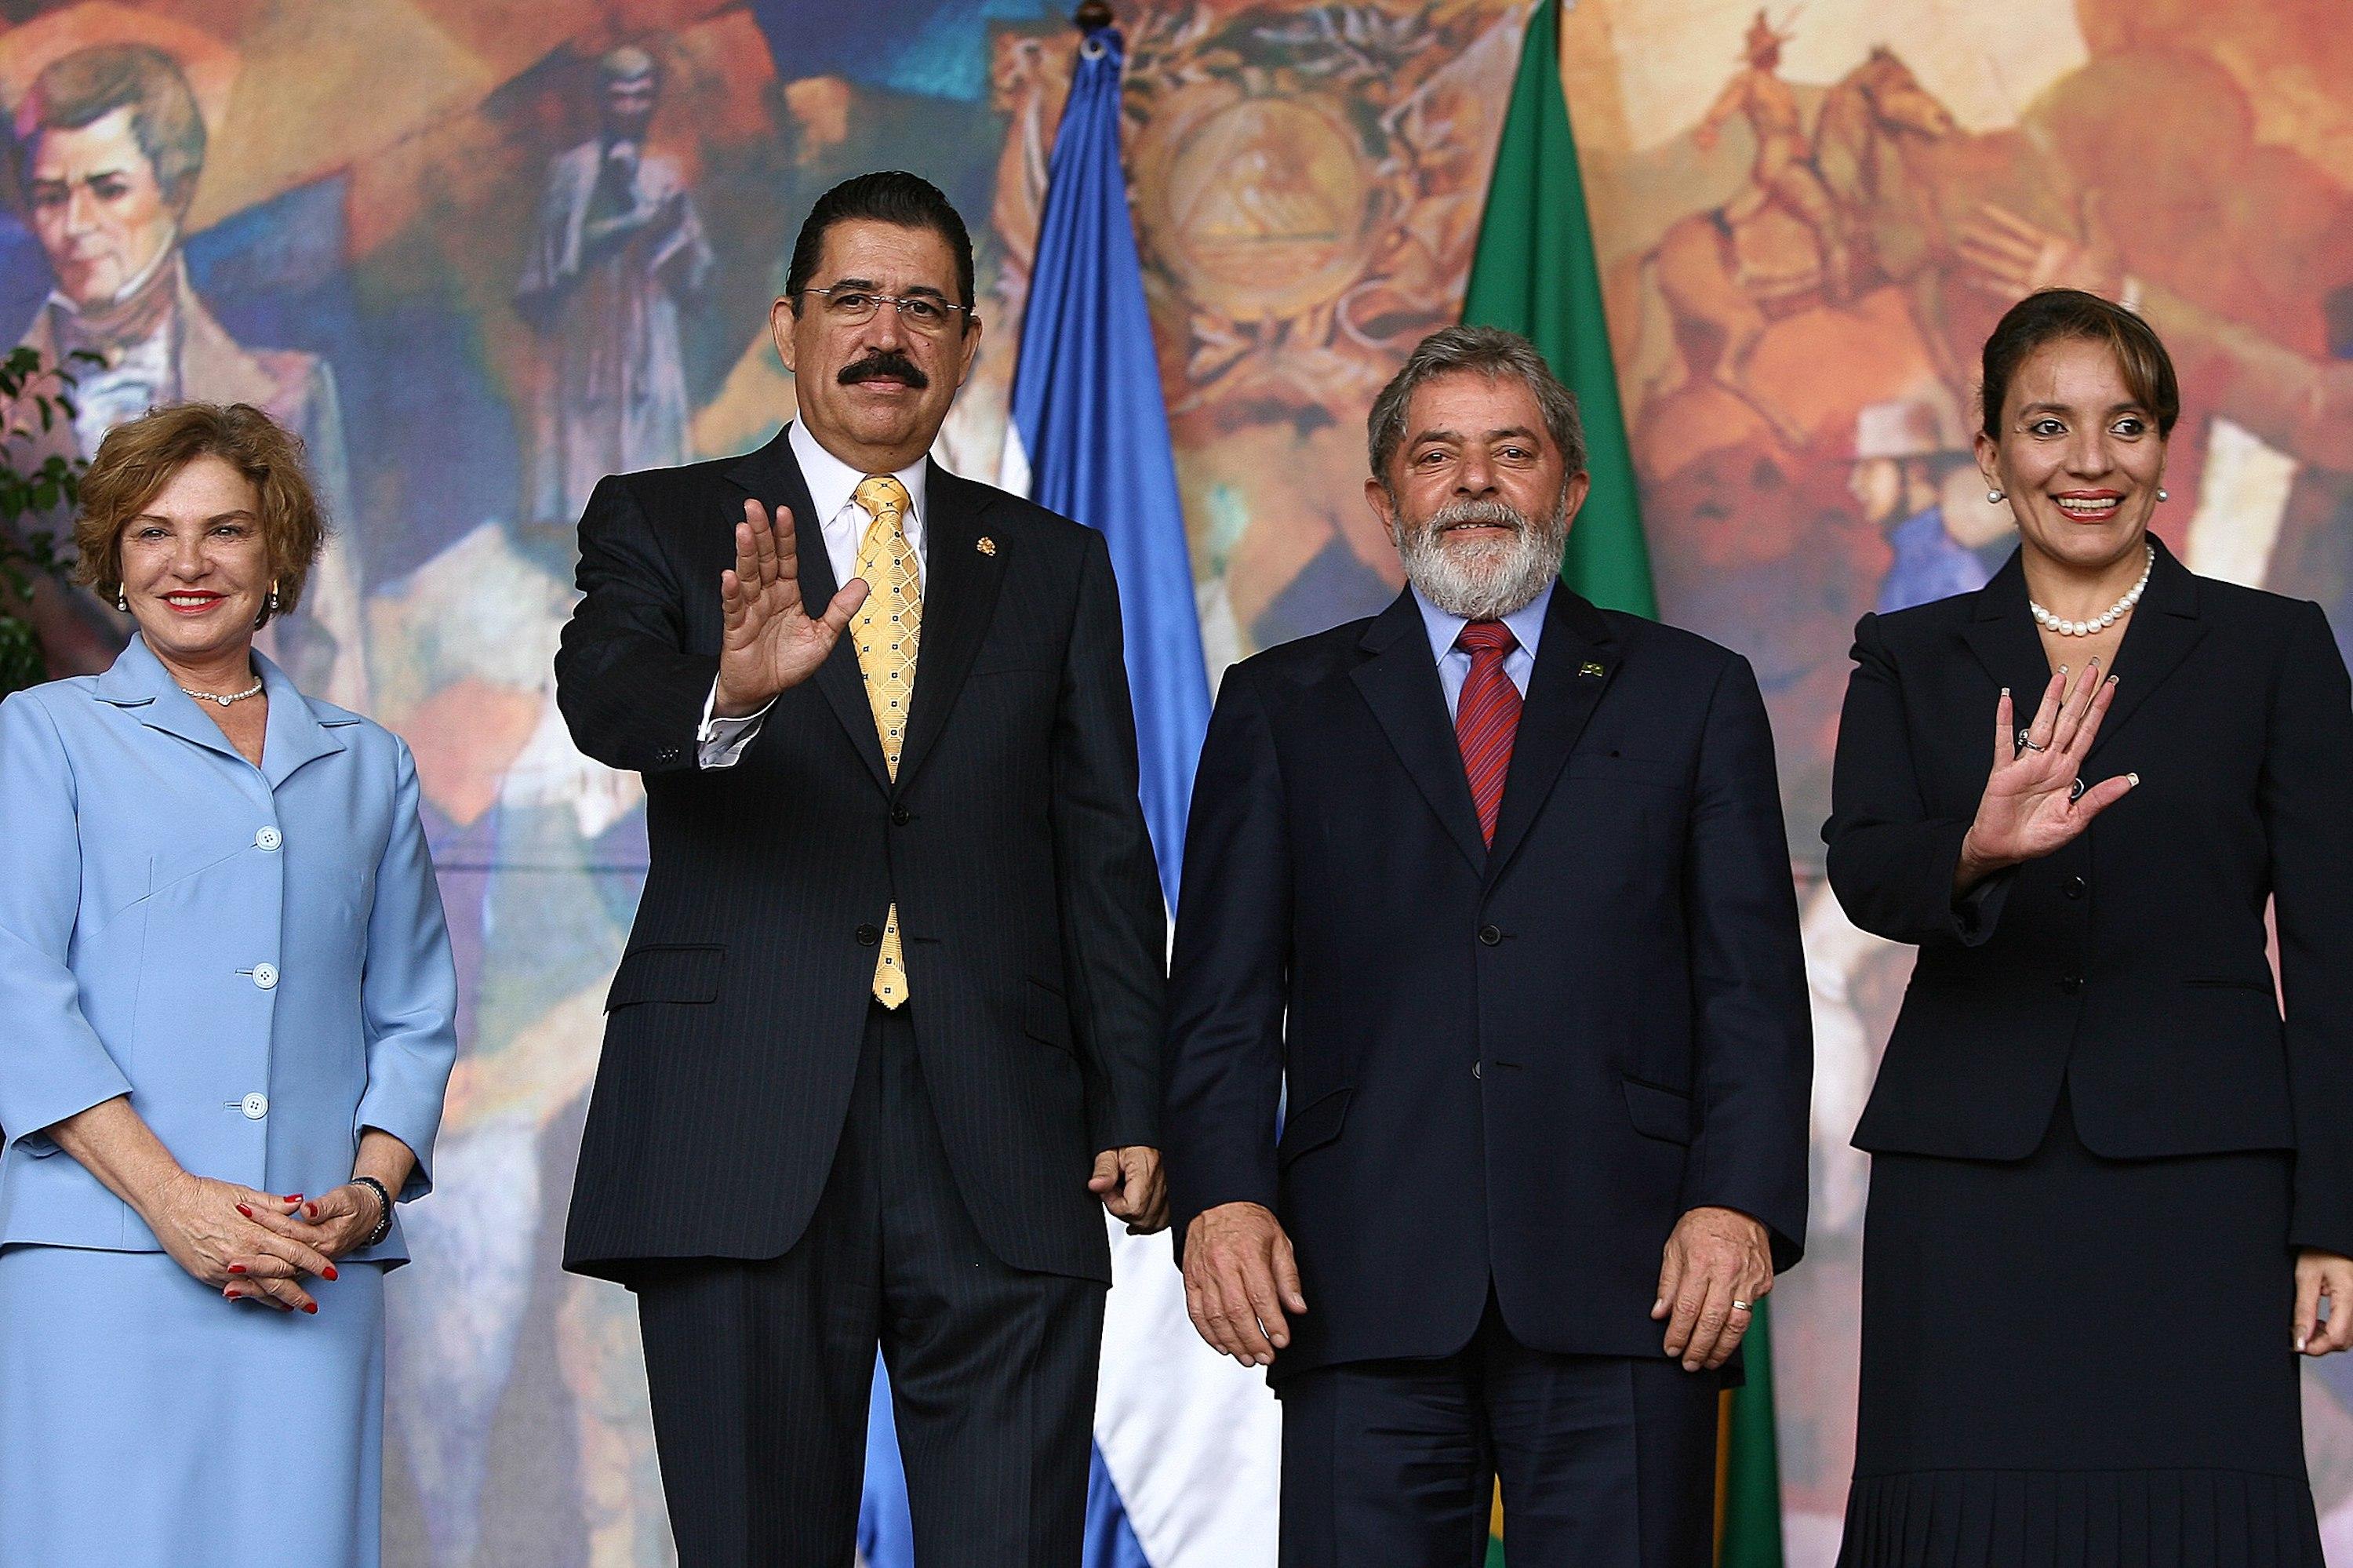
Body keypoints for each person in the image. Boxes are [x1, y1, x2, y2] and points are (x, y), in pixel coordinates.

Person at [555, 169, 1167, 1568]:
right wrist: (735, 684)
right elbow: (603, 699)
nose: (885, 332)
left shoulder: (1057, 565)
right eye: (852, 299)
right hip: (739, 1124)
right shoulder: (661, 518)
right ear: (786, 324)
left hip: (1007, 1132)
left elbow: (1103, 847)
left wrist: (1140, 1094)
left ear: (965, 338)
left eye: (922, 306)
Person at [1162, 325, 1812, 1567]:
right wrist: (1225, 1194)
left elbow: (1752, 993)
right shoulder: (1277, 704)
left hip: (1634, 1273)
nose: (1473, 482)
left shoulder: (1693, 691)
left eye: (1511, 452)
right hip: (1357, 1275)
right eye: (1436, 454)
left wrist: (1734, 1201)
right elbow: (1225, 999)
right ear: (1381, 496)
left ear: (1569, 486)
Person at [1825, 288, 2353, 1562]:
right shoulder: (1910, 651)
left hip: (2204, 1182)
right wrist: (1975, 846)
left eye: (2124, 424)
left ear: (2165, 443)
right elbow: (1868, 873)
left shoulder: (2273, 648)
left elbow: (2340, 946)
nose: (2088, 460)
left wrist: (2336, 1213)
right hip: (1967, 1185)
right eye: (2048, 425)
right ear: (1992, 449)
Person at [0, 402, 458, 1566]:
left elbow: (412, 1014)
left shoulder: (370, 762)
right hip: (102, 1261)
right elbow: (18, 989)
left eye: (227, 530)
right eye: (153, 532)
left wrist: (368, 1193)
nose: (189, 563)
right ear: (114, 557)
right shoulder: (43, 734)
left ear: (278, 557)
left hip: (312, 1268)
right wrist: (173, 1203)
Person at [4, 42, 369, 708]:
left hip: (246, 780)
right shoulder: (6, 408)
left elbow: (328, 643)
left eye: (108, 189)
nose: (76, 227)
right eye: (51, 197)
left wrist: (333, 800)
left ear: (175, 191)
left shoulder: (285, 394)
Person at [516, 42, 712, 530]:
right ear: (602, 100)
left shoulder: (665, 171)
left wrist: (675, 236)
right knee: (589, 438)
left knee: (652, 449)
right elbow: (557, 261)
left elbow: (694, 269)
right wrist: (630, 225)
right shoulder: (572, 170)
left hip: (650, 327)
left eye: (641, 95)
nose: (631, 108)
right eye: (620, 96)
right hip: (591, 329)